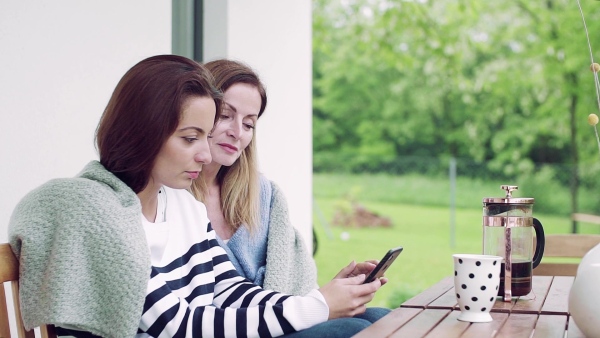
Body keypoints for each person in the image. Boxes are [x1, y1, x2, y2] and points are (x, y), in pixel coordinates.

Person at [8, 54, 384, 338]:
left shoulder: (180, 204)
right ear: (144, 131)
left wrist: (317, 303)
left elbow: (231, 290)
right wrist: (316, 309)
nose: (205, 154)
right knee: (351, 330)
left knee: (375, 319)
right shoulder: (98, 213)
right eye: (190, 138)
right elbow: (178, 325)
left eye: (205, 137)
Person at [191, 59, 391, 336]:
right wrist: (317, 306)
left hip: (279, 315)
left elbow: (291, 280)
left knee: (384, 317)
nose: (237, 132)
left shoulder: (264, 196)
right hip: (237, 329)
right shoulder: (174, 203)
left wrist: (327, 296)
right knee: (350, 329)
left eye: (249, 124)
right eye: (225, 115)